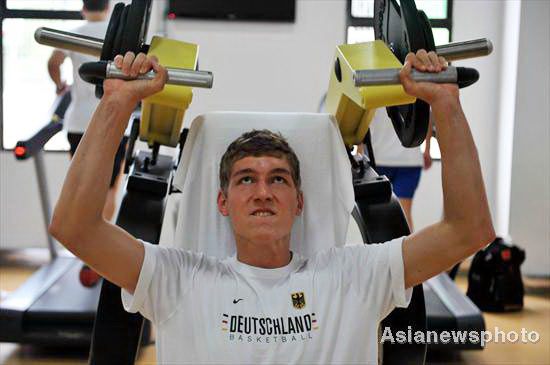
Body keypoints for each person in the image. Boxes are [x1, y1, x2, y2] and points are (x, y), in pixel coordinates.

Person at [49, 50, 495, 363]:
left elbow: (467, 230)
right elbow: (76, 228)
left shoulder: (354, 276)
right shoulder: (178, 278)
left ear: (299, 202)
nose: (263, 192)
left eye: (277, 179)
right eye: (247, 180)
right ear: (222, 202)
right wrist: (115, 102)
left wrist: (446, 104)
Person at [47, 0, 124, 286]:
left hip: (78, 122)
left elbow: (53, 63)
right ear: (108, 7)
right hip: (113, 122)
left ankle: (87, 253)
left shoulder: (74, 32)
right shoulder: (117, 34)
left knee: (82, 187)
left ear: (83, 8)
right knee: (108, 189)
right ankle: (96, 254)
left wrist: (59, 85)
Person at [360, 109, 434, 232]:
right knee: (404, 214)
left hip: (381, 158)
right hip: (407, 160)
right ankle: (410, 250)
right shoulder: (416, 89)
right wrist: (427, 150)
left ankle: (387, 249)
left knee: (379, 214)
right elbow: (426, 117)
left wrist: (360, 151)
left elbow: (364, 121)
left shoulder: (370, 89)